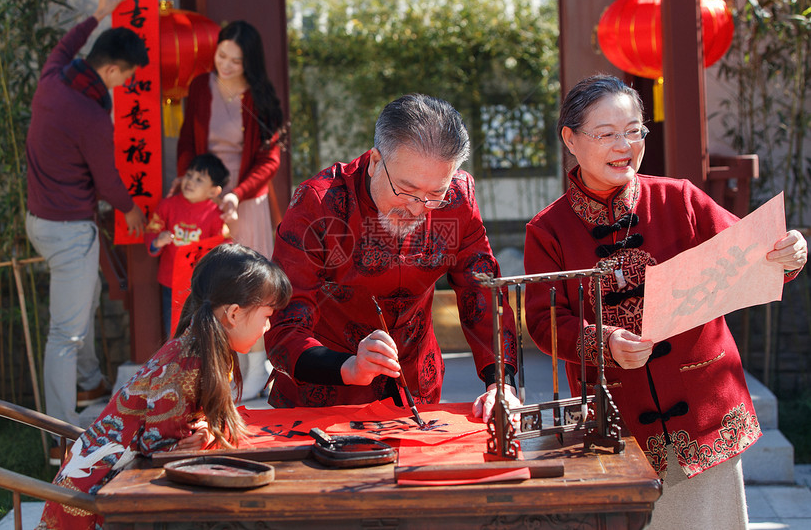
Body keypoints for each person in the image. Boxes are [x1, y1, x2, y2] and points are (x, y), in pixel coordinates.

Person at [523, 74, 808, 530]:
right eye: (607, 133)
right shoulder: (548, 230)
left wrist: (789, 252)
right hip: (616, 419)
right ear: (570, 140)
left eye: (634, 131)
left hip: (703, 409)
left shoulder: (680, 198)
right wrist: (604, 341)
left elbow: (755, 254)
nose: (624, 145)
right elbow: (542, 321)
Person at [266, 93, 520, 422]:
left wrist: (501, 383)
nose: (417, 207)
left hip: (416, 389)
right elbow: (286, 326)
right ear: (374, 161)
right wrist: (347, 367)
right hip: (324, 393)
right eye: (405, 189)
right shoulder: (319, 205)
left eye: (434, 194)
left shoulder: (457, 201)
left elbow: (482, 292)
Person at [36, 243, 292, 530]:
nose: (267, 328)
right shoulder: (188, 365)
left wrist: (201, 429)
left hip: (105, 488)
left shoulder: (198, 348)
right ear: (233, 314)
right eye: (267, 316)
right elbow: (158, 451)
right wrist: (191, 440)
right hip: (96, 502)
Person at [25, 0, 148, 452]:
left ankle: (91, 383)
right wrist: (133, 211)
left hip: (41, 222)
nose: (123, 85)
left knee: (85, 303)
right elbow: (108, 181)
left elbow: (65, 45)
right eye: (125, 77)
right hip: (70, 231)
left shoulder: (54, 78)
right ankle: (60, 433)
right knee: (65, 333)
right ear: (112, 69)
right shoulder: (90, 114)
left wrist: (97, 16)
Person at [175, 20, 285, 397]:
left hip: (246, 198)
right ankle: (221, 364)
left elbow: (269, 160)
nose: (225, 65)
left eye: (235, 61)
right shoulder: (200, 88)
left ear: (249, 63)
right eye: (221, 55)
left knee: (249, 283)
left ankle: (257, 363)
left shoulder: (262, 96)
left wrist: (237, 192)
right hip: (206, 196)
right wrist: (191, 183)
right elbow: (188, 140)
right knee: (210, 282)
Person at [144, 153, 240, 333]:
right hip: (170, 280)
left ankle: (199, 361)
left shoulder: (215, 214)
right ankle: (175, 360)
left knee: (202, 330)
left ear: (213, 191)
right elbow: (151, 231)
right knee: (173, 330)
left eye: (199, 179)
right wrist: (157, 241)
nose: (190, 182)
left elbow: (222, 245)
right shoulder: (167, 206)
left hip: (201, 284)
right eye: (189, 175)